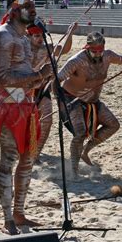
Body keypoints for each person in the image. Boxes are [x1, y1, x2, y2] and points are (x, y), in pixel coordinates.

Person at [0, 0, 53, 235]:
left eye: (34, 7)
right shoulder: (3, 36)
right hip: (7, 107)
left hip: (27, 105)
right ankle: (8, 220)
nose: (34, 11)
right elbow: (3, 77)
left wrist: (41, 77)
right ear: (15, 10)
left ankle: (19, 213)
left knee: (27, 160)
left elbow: (27, 78)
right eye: (28, 7)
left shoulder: (25, 39)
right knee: (9, 159)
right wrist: (37, 76)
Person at [54, 32, 122, 177]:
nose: (97, 54)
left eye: (100, 50)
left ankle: (86, 151)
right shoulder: (76, 61)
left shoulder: (108, 56)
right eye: (94, 51)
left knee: (113, 124)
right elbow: (56, 81)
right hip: (72, 100)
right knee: (80, 133)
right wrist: (59, 100)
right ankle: (74, 169)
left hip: (93, 101)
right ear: (87, 48)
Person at [26, 21, 78, 162]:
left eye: (41, 35)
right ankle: (25, 151)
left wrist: (70, 33)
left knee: (47, 120)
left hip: (41, 90)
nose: (40, 38)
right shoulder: (20, 49)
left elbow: (64, 49)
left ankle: (35, 154)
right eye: (36, 36)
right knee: (25, 124)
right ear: (28, 36)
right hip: (23, 92)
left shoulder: (46, 49)